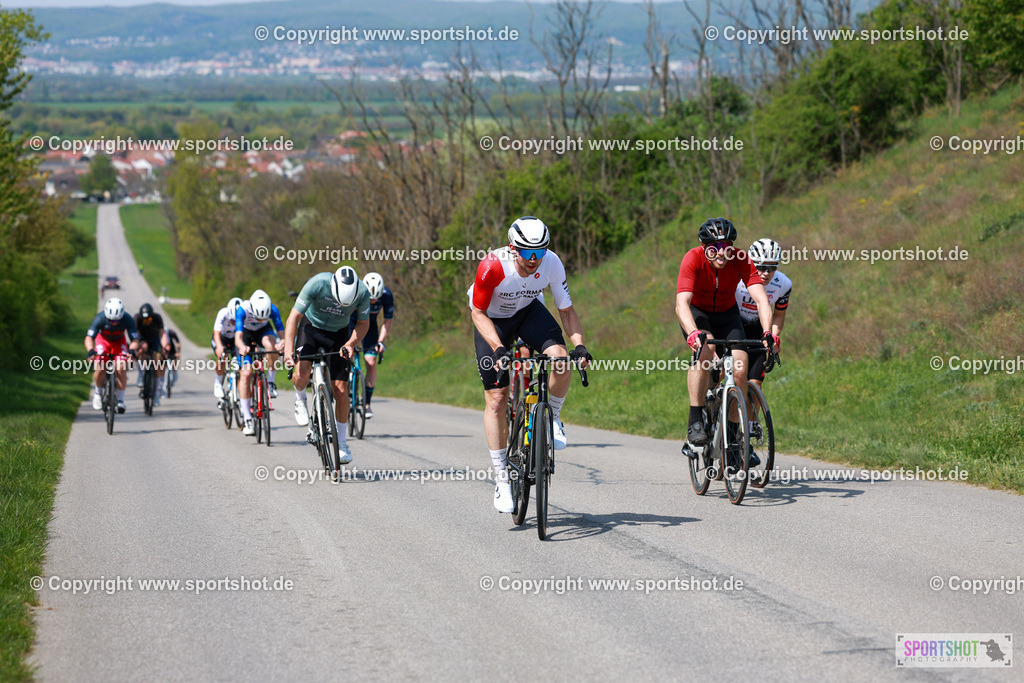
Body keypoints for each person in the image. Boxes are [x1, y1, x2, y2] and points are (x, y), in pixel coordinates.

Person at [468, 216, 591, 513]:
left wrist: (580, 346)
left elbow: (567, 309)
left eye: (540, 252)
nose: (534, 260)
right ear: (513, 248)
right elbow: (478, 312)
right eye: (527, 253)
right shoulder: (492, 265)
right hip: (492, 320)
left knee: (561, 361)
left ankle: (552, 419)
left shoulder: (552, 262)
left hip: (527, 312)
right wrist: (498, 348)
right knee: (497, 398)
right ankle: (501, 479)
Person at [675, 218, 777, 469]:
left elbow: (762, 300)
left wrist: (768, 333)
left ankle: (732, 441)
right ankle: (696, 420)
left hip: (728, 314)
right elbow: (681, 303)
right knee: (705, 350)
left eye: (727, 246)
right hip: (699, 314)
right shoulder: (692, 259)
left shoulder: (741, 259)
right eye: (714, 247)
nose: (722, 253)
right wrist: (692, 333)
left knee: (740, 366)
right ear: (704, 247)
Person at [284, 266, 370, 465]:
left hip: (338, 334)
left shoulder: (363, 293)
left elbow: (363, 324)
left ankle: (341, 442)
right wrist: (289, 350)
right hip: (310, 328)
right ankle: (300, 399)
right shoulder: (317, 283)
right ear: (333, 286)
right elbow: (293, 318)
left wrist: (350, 344)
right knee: (302, 373)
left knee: (341, 389)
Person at [735, 238, 790, 391]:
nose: (766, 273)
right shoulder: (737, 277)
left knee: (755, 383)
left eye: (772, 267)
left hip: (758, 328)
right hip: (734, 324)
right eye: (761, 266)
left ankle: (750, 416)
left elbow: (779, 315)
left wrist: (773, 336)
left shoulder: (784, 284)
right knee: (728, 374)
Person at [234, 289, 285, 436]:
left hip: (264, 332)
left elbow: (281, 332)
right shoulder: (242, 310)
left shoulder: (273, 309)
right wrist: (241, 347)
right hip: (246, 335)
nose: (261, 320)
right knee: (246, 374)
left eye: (264, 318)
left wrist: (282, 342)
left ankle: (270, 382)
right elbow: (238, 337)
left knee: (271, 346)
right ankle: (248, 419)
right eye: (259, 317)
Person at [347, 271, 394, 418]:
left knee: (371, 361)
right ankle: (345, 385)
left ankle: (366, 403)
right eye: (370, 299)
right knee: (347, 357)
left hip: (370, 327)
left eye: (376, 299)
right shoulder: (354, 293)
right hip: (351, 324)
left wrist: (380, 342)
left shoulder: (387, 295)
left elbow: (387, 321)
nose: (373, 301)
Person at [85, 297, 140, 413]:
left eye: (116, 321)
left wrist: (131, 351)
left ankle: (120, 400)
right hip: (102, 341)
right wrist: (90, 351)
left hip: (119, 342)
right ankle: (98, 394)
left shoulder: (127, 319)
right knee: (100, 367)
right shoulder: (100, 318)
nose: (113, 323)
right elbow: (89, 337)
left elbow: (135, 339)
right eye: (111, 321)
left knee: (121, 368)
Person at [133, 303, 171, 406]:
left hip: (154, 340)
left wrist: (165, 347)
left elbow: (162, 334)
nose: (146, 322)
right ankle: (141, 376)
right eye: (144, 320)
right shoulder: (137, 318)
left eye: (148, 320)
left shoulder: (157, 318)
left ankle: (155, 394)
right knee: (143, 349)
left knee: (157, 364)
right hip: (142, 339)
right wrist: (136, 348)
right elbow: (134, 335)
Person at [211, 297, 243, 399]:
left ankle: (234, 387)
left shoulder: (243, 315)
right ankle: (218, 383)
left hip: (235, 339)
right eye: (232, 321)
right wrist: (219, 346)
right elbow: (216, 333)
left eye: (236, 322)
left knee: (240, 362)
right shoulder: (223, 313)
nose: (233, 323)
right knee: (223, 357)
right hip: (222, 338)